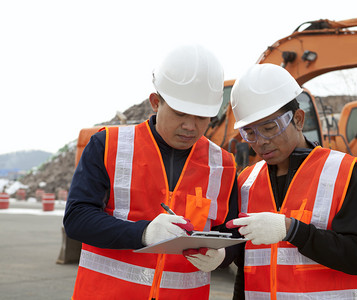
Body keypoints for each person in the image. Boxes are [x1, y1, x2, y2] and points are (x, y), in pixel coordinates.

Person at [64, 44, 241, 300]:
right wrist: (143, 233)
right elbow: (77, 218)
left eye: (203, 117)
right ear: (156, 102)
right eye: (180, 113)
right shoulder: (108, 145)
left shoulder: (223, 164)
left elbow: (230, 232)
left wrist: (224, 256)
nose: (190, 126)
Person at [226, 63, 357, 299]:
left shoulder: (344, 172)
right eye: (250, 133)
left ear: (298, 119)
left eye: (269, 128)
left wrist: (293, 230)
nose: (261, 141)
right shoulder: (247, 182)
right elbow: (246, 271)